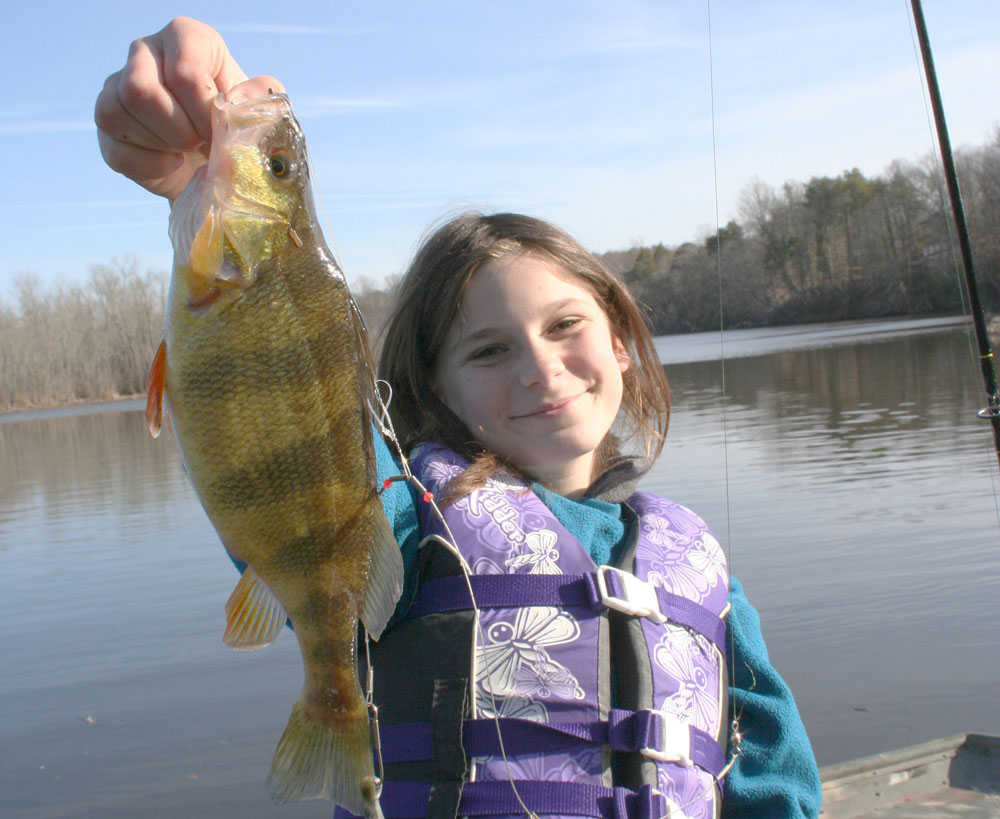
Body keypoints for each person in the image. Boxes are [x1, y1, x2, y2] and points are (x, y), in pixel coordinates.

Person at [96, 18, 822, 819]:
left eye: (564, 327)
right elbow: (318, 485)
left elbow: (772, 777)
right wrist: (205, 153)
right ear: (433, 387)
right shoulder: (417, 520)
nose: (539, 368)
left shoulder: (704, 570)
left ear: (620, 338)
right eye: (487, 352)